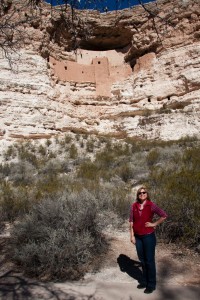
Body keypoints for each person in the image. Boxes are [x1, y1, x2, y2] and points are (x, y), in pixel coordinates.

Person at [129, 186, 167, 294]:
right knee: (142, 260)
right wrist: (131, 236)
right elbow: (131, 222)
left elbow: (164, 215)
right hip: (138, 237)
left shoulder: (151, 205)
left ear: (147, 194)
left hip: (148, 237)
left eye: (144, 192)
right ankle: (144, 281)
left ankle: (151, 284)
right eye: (140, 193)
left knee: (149, 261)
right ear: (138, 195)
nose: (142, 194)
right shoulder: (134, 206)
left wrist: (154, 224)